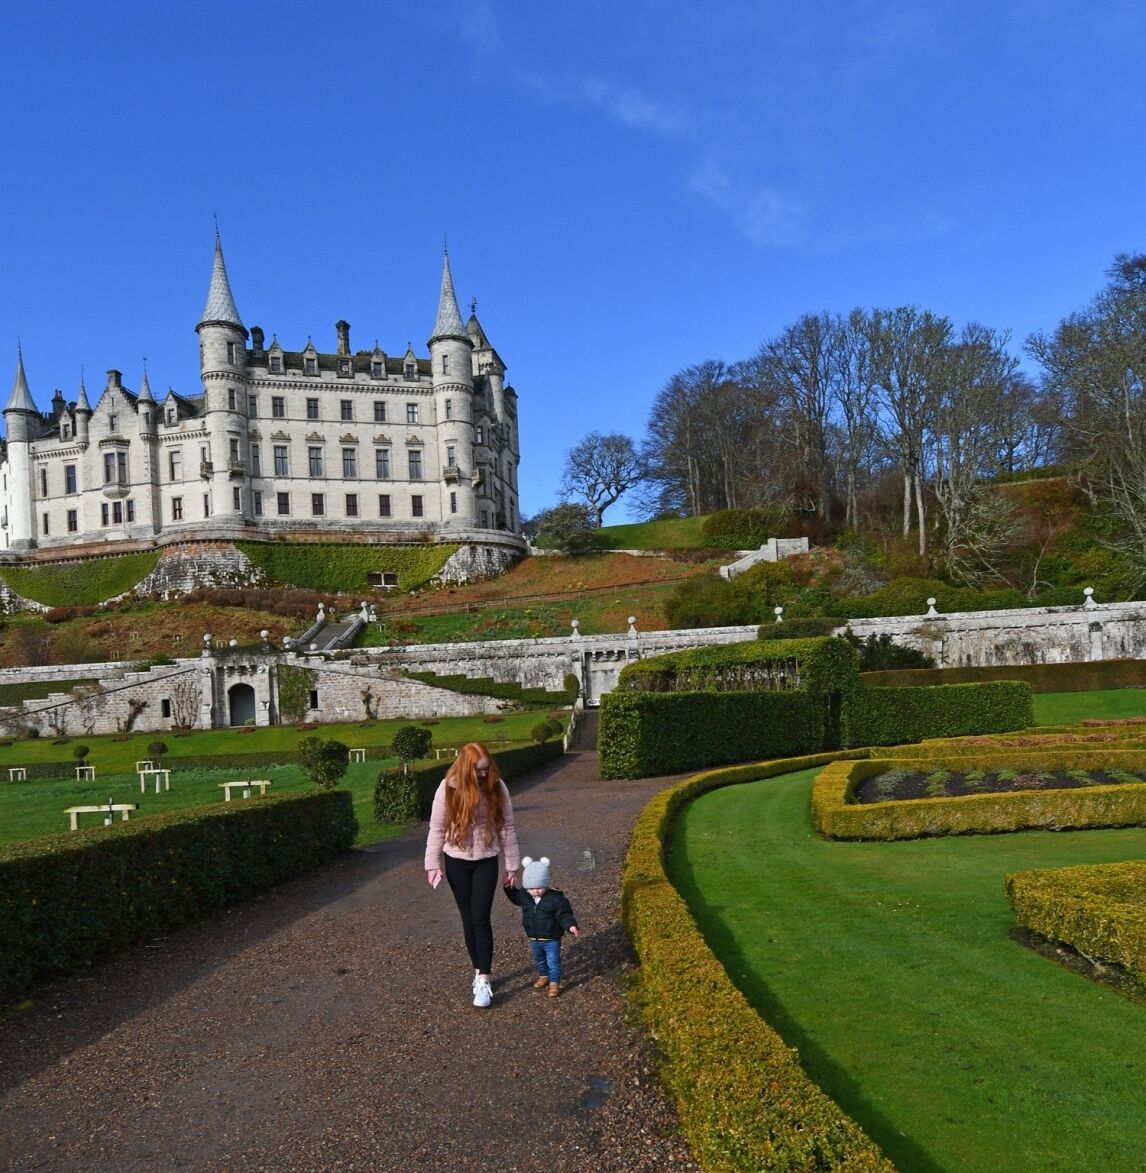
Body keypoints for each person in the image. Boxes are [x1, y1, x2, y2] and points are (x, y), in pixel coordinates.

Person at [425, 742, 520, 1008]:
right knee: (468, 918)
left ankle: (485, 979)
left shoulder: (497, 787)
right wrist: (432, 863)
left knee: (480, 917)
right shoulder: (447, 789)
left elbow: (507, 826)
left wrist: (512, 865)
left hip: (486, 860)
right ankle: (478, 971)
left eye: (486, 769)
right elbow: (436, 828)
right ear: (466, 768)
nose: (483, 774)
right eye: (478, 770)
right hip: (456, 860)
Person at [502, 855, 579, 998]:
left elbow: (564, 915)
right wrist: (508, 887)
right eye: (531, 888)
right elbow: (514, 897)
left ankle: (554, 982)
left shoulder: (556, 899)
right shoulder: (525, 896)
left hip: (551, 938)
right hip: (534, 937)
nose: (535, 891)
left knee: (553, 961)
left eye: (539, 887)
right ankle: (543, 976)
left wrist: (571, 925)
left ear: (546, 884)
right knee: (539, 959)